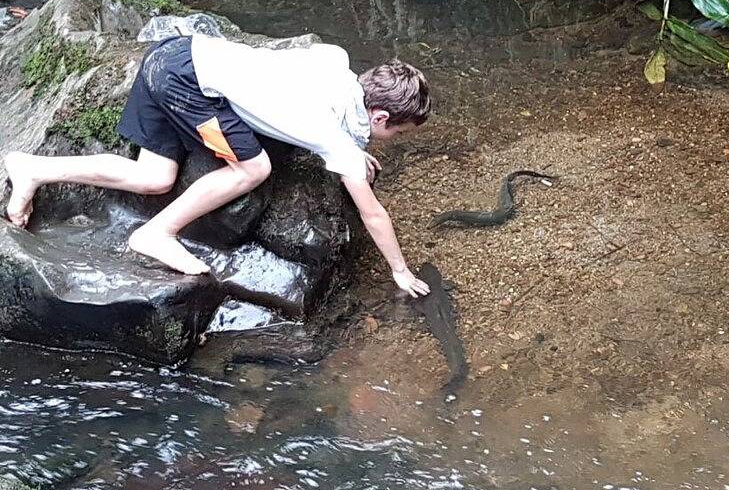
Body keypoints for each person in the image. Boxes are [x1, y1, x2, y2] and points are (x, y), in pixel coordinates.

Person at [4, 34, 431, 297]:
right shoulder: (333, 138)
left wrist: (354, 150)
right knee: (254, 169)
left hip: (169, 57)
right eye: (399, 132)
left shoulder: (335, 61)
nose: (394, 140)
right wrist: (399, 270)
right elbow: (371, 212)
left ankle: (33, 168)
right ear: (379, 118)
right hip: (189, 88)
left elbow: (332, 104)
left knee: (154, 177)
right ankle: (157, 233)